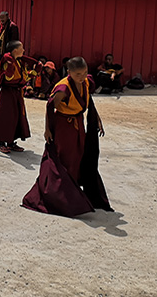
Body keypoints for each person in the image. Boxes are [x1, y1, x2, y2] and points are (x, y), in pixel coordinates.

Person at [22, 56, 111, 216]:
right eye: (78, 74)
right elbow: (50, 107)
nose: (82, 77)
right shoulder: (63, 88)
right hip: (63, 125)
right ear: (69, 72)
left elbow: (88, 100)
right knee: (64, 158)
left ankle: (73, 190)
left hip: (78, 123)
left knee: (78, 156)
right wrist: (48, 130)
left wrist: (96, 118)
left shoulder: (86, 82)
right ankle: (60, 195)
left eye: (84, 72)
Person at [0, 40, 36, 153]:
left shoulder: (19, 62)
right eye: (22, 48)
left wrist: (34, 73)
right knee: (5, 116)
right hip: (8, 93)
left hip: (17, 93)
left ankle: (11, 142)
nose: (24, 50)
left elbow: (23, 77)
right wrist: (10, 68)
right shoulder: (8, 62)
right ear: (15, 50)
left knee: (16, 116)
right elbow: (9, 78)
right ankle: (1, 143)